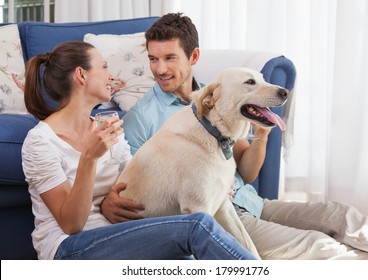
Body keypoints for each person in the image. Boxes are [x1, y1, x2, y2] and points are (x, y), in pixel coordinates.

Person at [103, 12, 368, 260]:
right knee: (319, 247)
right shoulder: (141, 117)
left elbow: (246, 172)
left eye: (169, 58)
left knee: (339, 214)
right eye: (153, 59)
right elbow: (125, 177)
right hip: (224, 215)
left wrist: (261, 136)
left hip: (252, 202)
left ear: (194, 57)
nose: (160, 69)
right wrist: (106, 203)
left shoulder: (220, 93)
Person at [21, 41, 257, 260]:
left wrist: (210, 185)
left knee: (182, 254)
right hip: (69, 248)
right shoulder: (41, 142)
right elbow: (71, 224)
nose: (111, 76)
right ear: (81, 75)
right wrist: (89, 159)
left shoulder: (108, 128)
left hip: (117, 234)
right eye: (103, 67)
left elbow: (137, 185)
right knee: (196, 226)